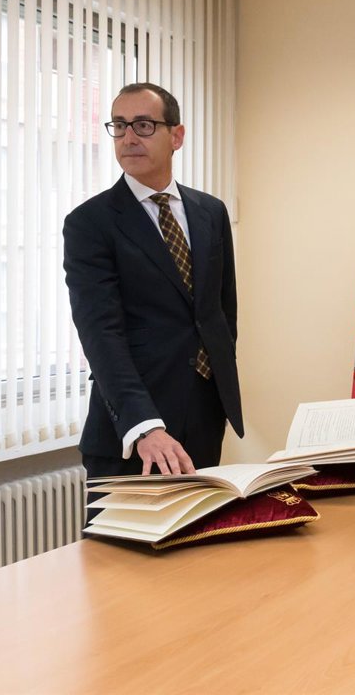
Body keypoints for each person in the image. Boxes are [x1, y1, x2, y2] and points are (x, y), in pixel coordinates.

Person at [63, 83, 243, 487]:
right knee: (123, 533)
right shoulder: (90, 223)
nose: (129, 137)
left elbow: (220, 312)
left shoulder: (210, 212)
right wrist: (144, 425)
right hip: (132, 434)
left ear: (176, 136)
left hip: (204, 417)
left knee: (202, 528)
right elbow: (100, 334)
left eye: (143, 125)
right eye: (119, 125)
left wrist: (217, 390)